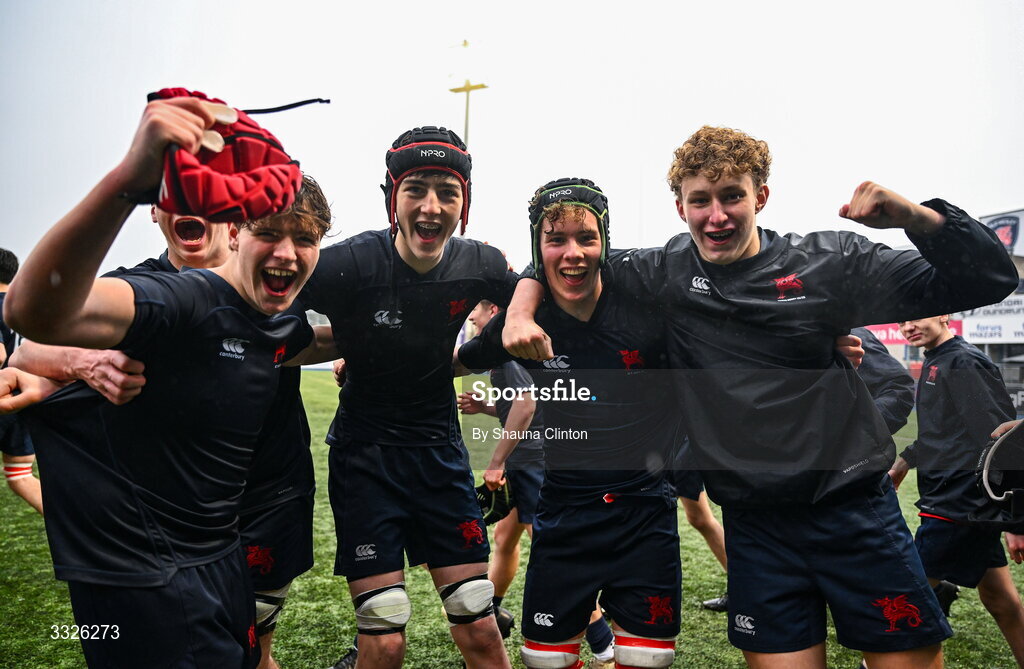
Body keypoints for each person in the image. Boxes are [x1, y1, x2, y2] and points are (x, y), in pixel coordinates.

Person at [503, 126, 1018, 668]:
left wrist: (918, 219)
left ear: (761, 197)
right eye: (700, 200)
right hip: (756, 526)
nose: (716, 215)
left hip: (852, 509)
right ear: (680, 207)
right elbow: (563, 260)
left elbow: (989, 277)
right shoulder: (665, 271)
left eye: (732, 196)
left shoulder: (830, 262)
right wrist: (517, 312)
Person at [3, 96, 336, 669]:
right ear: (238, 231)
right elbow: (32, 319)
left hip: (226, 541)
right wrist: (131, 179)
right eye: (269, 233)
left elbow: (324, 340)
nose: (286, 252)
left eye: (304, 240)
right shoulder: (180, 295)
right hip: (147, 568)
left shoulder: (266, 314)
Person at [302, 126, 516, 669]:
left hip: (440, 457)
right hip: (365, 458)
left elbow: (527, 309)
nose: (431, 206)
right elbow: (267, 312)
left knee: (480, 622)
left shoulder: (481, 264)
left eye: (448, 191)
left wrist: (457, 363)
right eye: (416, 188)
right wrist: (352, 342)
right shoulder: (350, 264)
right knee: (386, 628)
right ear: (390, 196)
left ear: (465, 201)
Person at [458, 178, 684, 669]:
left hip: (644, 510)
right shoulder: (520, 322)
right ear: (538, 247)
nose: (573, 253)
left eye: (587, 237)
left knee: (648, 659)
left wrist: (817, 341)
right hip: (565, 511)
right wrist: (363, 356)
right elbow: (461, 359)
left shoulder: (648, 304)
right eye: (556, 239)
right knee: (544, 661)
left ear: (606, 239)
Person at [892, 315, 1024, 666]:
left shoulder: (964, 361)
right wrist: (904, 461)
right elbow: (944, 433)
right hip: (950, 500)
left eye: (914, 318)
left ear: (944, 314)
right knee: (1000, 601)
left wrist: (1015, 519)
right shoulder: (936, 358)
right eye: (900, 322)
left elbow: (1002, 441)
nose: (907, 327)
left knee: (909, 604)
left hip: (958, 507)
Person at [0, 248, 43, 513]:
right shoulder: (25, 308)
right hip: (25, 398)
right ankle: (80, 532)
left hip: (3, 396)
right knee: (20, 476)